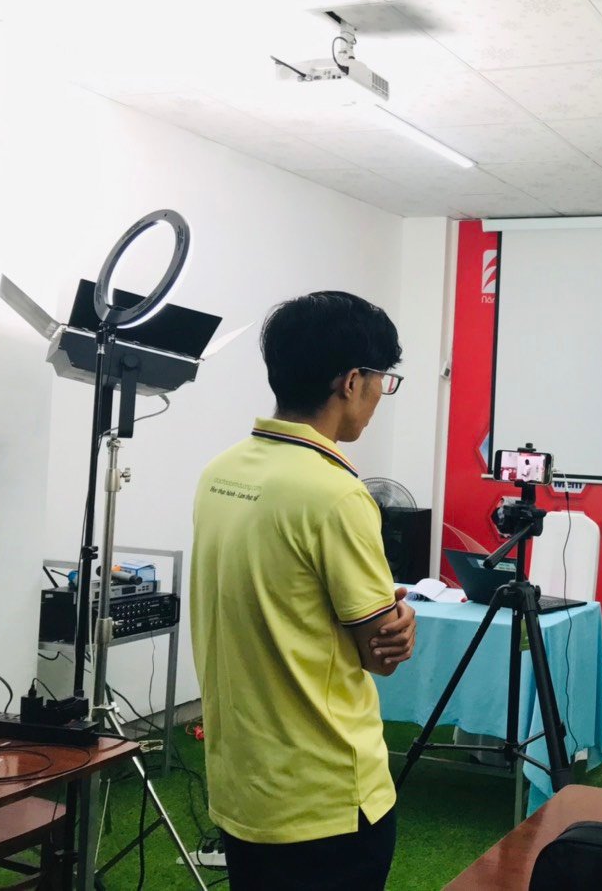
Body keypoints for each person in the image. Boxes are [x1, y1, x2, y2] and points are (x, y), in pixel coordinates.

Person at [190, 291, 415, 890]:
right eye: (383, 381)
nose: (380, 396)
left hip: (243, 789)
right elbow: (381, 654)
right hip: (328, 799)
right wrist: (399, 626)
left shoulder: (219, 473)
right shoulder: (337, 494)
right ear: (352, 381)